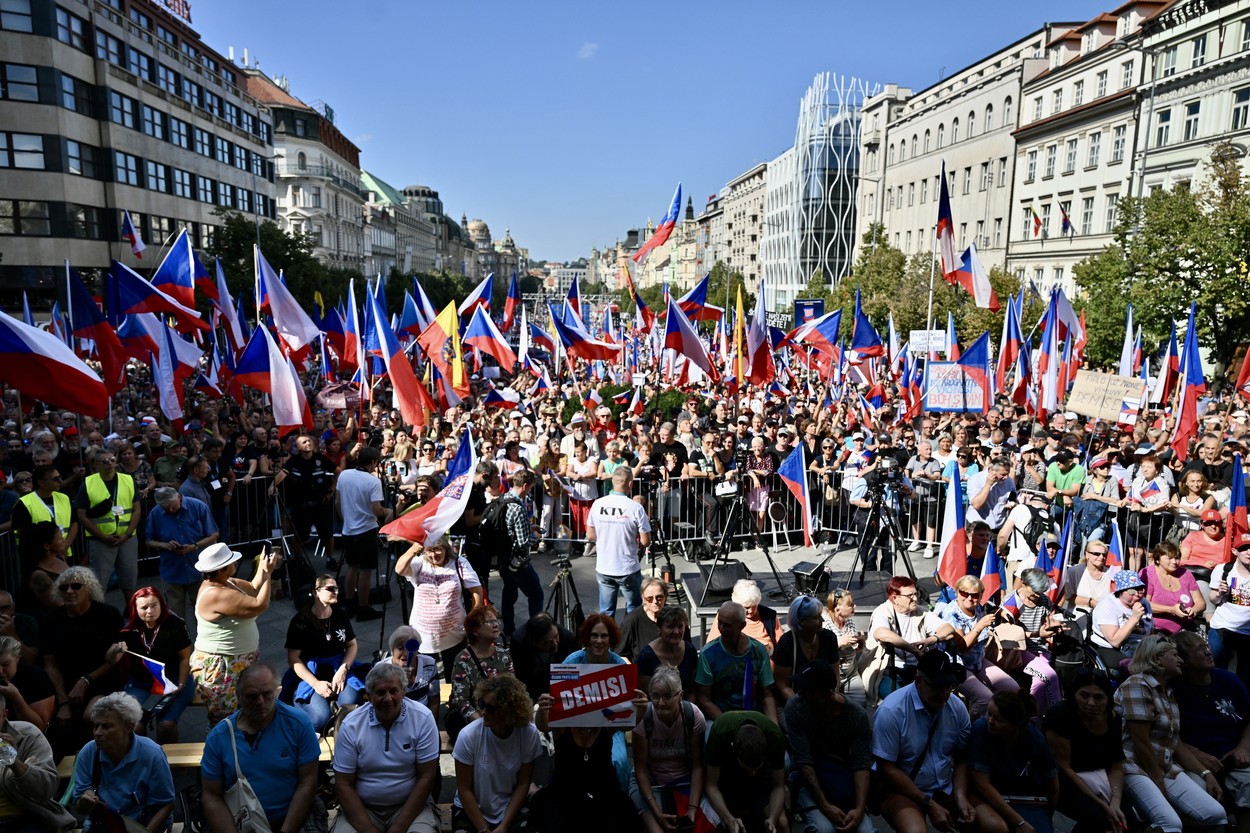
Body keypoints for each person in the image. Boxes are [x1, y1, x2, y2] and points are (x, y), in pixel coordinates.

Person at [1113, 634, 1227, 832]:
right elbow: (1141, 742)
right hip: (1135, 767)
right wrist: (1158, 782)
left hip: (1164, 766)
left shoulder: (1166, 692)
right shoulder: (1137, 685)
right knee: (1170, 824)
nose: (1180, 660)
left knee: (1216, 815)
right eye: (1175, 655)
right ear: (1157, 658)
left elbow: (1176, 744)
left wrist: (1206, 773)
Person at [201, 663, 327, 833]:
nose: (260, 702)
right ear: (239, 697)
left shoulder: (298, 724)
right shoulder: (219, 737)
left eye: (267, 694)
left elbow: (308, 782)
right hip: (240, 820)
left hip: (292, 816)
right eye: (252, 696)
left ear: (277, 691)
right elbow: (211, 796)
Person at [872, 649, 975, 833]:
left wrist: (960, 796)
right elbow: (887, 768)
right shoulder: (892, 710)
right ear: (918, 681)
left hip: (944, 785)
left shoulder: (957, 707)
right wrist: (928, 803)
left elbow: (961, 756)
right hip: (901, 787)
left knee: (990, 825)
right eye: (936, 686)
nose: (944, 694)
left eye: (948, 686)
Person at [333, 663, 440, 833]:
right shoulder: (351, 725)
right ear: (369, 695)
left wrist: (399, 828)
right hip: (362, 808)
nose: (388, 698)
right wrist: (369, 830)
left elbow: (426, 777)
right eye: (380, 692)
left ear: (403, 691)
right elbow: (344, 784)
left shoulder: (423, 718)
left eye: (394, 691)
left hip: (409, 807)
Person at [532, 685, 643, 833]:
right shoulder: (563, 726)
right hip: (565, 795)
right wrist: (542, 709)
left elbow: (630, 723)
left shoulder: (607, 724)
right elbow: (542, 725)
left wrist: (640, 707)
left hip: (605, 794)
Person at [1171, 630, 1250, 833]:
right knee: (1201, 804)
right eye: (1199, 650)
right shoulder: (1173, 690)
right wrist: (1196, 755)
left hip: (1233, 756)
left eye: (1206, 647)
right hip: (1194, 763)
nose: (1208, 652)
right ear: (1183, 661)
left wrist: (1242, 748)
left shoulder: (1228, 680)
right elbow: (1167, 735)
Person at [192, 542, 278, 726]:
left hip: (240, 661)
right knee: (226, 720)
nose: (236, 564)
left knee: (246, 712)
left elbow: (255, 587)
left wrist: (262, 569)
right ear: (221, 569)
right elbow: (259, 605)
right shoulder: (215, 593)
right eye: (232, 562)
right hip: (222, 666)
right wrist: (269, 574)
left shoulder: (227, 582)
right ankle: (222, 752)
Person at [785, 659, 873, 833]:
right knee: (824, 829)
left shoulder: (856, 716)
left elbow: (861, 765)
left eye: (808, 690)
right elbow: (804, 762)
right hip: (810, 779)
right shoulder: (796, 707)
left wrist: (860, 808)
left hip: (843, 779)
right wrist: (825, 806)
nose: (800, 693)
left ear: (826, 693)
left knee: (865, 830)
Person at [42, 567, 123, 756]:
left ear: (89, 589)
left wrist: (86, 680)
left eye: (76, 586)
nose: (69, 591)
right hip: (65, 687)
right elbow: (50, 664)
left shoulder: (108, 615)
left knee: (93, 716)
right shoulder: (51, 620)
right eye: (64, 587)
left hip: (103, 680)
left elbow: (117, 659)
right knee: (58, 727)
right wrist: (63, 702)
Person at [451, 674, 543, 833]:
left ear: (510, 712)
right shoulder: (469, 736)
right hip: (472, 809)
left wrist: (504, 825)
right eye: (482, 704)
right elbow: (464, 789)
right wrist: (483, 829)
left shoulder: (528, 734)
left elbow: (523, 784)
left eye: (491, 708)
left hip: (510, 807)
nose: (484, 712)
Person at [71, 692, 175, 831]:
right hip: (103, 823)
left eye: (106, 726)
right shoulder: (89, 751)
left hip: (142, 824)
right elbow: (80, 808)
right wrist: (85, 801)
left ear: (128, 727)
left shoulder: (152, 754)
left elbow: (165, 804)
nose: (98, 732)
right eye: (96, 726)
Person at [1043, 668, 1127, 833]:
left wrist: (1115, 801)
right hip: (1066, 781)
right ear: (1074, 694)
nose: (1091, 703)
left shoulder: (1113, 718)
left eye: (1098, 697)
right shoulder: (1061, 715)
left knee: (1124, 817)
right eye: (1084, 695)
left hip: (1099, 780)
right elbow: (1064, 767)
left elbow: (1116, 764)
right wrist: (1103, 805)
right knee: (1099, 819)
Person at [110, 586, 194, 744]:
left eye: (154, 605)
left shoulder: (175, 625)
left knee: (166, 725)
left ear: (162, 605)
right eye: (144, 607)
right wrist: (114, 651)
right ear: (135, 609)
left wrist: (181, 684)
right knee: (135, 727)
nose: (150, 611)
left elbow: (185, 658)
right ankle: (146, 759)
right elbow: (111, 661)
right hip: (140, 684)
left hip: (173, 680)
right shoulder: (128, 631)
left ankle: (171, 765)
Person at [967, 690, 1059, 833]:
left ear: (1017, 725)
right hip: (987, 797)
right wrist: (1019, 821)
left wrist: (1045, 818)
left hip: (1026, 800)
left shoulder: (1035, 740)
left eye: (999, 719)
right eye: (989, 714)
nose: (990, 721)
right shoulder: (981, 730)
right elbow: (982, 784)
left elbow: (1053, 785)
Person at [395, 539, 484, 682]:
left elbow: (476, 589)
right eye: (429, 550)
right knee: (425, 680)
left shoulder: (458, 563)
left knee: (455, 677)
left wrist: (474, 616)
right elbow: (399, 569)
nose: (434, 554)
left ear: (445, 548)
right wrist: (414, 548)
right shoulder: (419, 563)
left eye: (438, 549)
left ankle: (454, 702)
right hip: (424, 637)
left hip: (454, 635)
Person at [630, 667, 706, 833]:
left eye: (667, 696)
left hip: (684, 780)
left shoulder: (693, 717)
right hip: (651, 783)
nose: (660, 703)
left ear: (680, 696)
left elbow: (698, 766)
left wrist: (692, 808)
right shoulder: (644, 718)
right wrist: (657, 814)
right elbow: (640, 770)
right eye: (655, 696)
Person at [284, 573, 363, 732]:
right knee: (320, 719)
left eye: (337, 588)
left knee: (350, 707)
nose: (336, 592)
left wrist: (343, 669)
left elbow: (352, 645)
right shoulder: (300, 621)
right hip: (311, 672)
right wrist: (315, 684)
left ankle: (337, 717)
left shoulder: (340, 614)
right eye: (330, 588)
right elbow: (293, 658)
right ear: (315, 592)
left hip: (338, 667)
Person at [940, 575, 1019, 718]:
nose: (970, 598)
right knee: (984, 698)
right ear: (957, 592)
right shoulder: (951, 613)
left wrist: (1001, 612)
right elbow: (961, 647)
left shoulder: (979, 607)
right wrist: (980, 626)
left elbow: (992, 607)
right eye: (965, 593)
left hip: (977, 661)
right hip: (957, 665)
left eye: (975, 595)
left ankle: (1002, 722)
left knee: (1012, 688)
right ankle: (971, 730)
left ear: (981, 595)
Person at [866, 576, 955, 701]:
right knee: (901, 702)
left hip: (918, 671)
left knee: (937, 697)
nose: (915, 598)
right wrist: (913, 650)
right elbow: (881, 633)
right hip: (889, 672)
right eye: (910, 595)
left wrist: (931, 639)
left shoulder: (920, 612)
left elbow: (948, 629)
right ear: (894, 598)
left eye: (915, 593)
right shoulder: (882, 611)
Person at [0, 688, 75, 831]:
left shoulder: (27, 735)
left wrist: (14, 762)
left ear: (4, 715)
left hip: (24, 819)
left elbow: (45, 790)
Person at [703, 710, 789, 833]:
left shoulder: (775, 736)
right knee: (724, 824)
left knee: (782, 823)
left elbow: (778, 786)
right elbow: (711, 785)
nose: (752, 773)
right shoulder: (720, 731)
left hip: (762, 779)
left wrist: (772, 819)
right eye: (748, 768)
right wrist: (729, 819)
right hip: (728, 777)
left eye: (756, 768)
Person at [76, 448, 142, 607]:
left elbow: (137, 509)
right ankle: (98, 616)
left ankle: (132, 613)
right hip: (101, 541)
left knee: (130, 579)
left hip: (127, 539)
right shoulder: (88, 483)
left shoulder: (127, 479)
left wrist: (126, 535)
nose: (110, 464)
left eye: (112, 460)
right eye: (105, 461)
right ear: (96, 465)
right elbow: (81, 515)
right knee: (99, 582)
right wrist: (103, 537)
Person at [144, 487, 219, 624]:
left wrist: (194, 546)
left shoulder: (198, 506)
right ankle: (181, 643)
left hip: (198, 568)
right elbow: (149, 541)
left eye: (173, 506)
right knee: (175, 616)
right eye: (167, 509)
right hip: (172, 570)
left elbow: (214, 534)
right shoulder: (155, 514)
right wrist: (164, 545)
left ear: (179, 497)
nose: (171, 510)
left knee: (205, 612)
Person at [696, 601, 778, 724]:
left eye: (727, 625)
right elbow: (704, 699)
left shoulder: (758, 650)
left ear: (741, 626)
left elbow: (767, 694)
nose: (721, 629)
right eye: (720, 623)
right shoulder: (708, 653)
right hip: (721, 716)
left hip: (753, 713)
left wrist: (773, 726)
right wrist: (729, 723)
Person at [338, 446, 393, 620]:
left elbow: (338, 502)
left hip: (348, 530)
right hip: (366, 530)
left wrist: (346, 519)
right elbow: (376, 509)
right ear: (373, 462)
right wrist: (389, 511)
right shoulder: (373, 481)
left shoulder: (344, 474)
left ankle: (349, 604)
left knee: (352, 567)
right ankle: (363, 608)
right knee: (366, 571)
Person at [588, 467, 651, 617]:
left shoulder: (597, 504)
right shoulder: (636, 507)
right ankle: (630, 639)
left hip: (604, 567)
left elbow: (590, 536)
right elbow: (646, 541)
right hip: (627, 567)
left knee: (606, 612)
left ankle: (606, 639)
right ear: (630, 484)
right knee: (634, 610)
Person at [270, 433, 338, 568]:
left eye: (310, 441)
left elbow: (338, 471)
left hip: (320, 504)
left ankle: (330, 558)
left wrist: (331, 490)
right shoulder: (294, 461)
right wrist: (272, 485)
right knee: (299, 536)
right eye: (305, 442)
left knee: (327, 534)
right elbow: (283, 473)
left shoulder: (320, 459)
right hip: (301, 506)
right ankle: (299, 560)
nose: (309, 443)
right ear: (298, 447)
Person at [447, 605, 513, 743]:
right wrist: (485, 725)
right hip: (476, 720)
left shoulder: (504, 655)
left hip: (501, 716)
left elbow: (513, 689)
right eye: (489, 622)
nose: (495, 625)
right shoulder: (462, 660)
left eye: (496, 621)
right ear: (475, 631)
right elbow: (462, 701)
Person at [497, 469, 544, 637]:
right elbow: (523, 542)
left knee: (509, 594)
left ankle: (508, 630)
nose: (530, 491)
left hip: (503, 558)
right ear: (525, 486)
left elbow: (509, 529)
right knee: (536, 594)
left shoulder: (503, 499)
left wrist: (528, 527)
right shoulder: (518, 508)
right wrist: (536, 536)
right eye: (530, 488)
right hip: (517, 561)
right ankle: (536, 631)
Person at [773, 595, 839, 706]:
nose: (822, 620)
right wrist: (801, 707)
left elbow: (836, 675)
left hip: (825, 699)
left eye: (820, 616)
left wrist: (829, 700)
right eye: (816, 618)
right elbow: (783, 684)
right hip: (795, 700)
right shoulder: (786, 643)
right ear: (801, 620)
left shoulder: (829, 638)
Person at [1089, 569, 1154, 678]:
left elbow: (1151, 630)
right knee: (1137, 667)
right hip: (1111, 648)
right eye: (1131, 591)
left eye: (1140, 589)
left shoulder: (1144, 603)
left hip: (1140, 646)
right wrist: (1134, 618)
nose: (1137, 594)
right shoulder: (1107, 606)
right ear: (1120, 592)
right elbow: (1115, 641)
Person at [1209, 534, 1250, 691]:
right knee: (1216, 672)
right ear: (1234, 551)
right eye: (1244, 548)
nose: (1249, 552)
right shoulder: (1223, 569)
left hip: (1247, 632)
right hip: (1223, 627)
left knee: (1246, 678)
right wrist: (1219, 593)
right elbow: (1213, 599)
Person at [705, 579, 783, 658]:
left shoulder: (769, 616)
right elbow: (711, 646)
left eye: (754, 606)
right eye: (746, 607)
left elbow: (781, 645)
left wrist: (769, 651)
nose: (751, 611)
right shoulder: (726, 615)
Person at [509, 613, 578, 701]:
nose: (555, 644)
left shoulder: (566, 637)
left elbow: (575, 672)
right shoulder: (519, 642)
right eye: (548, 642)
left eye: (556, 637)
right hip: (534, 685)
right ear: (533, 641)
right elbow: (523, 680)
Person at [1140, 540, 1205, 634]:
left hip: (1185, 627)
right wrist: (1171, 609)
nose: (1174, 562)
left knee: (1203, 646)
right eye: (1169, 558)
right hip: (1156, 628)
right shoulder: (1148, 574)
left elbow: (1201, 603)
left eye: (1177, 558)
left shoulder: (1186, 574)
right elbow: (1144, 604)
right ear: (1157, 559)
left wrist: (1194, 610)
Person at [635, 605, 697, 695]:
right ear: (660, 627)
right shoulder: (646, 656)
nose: (676, 632)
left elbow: (693, 691)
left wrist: (687, 707)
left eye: (680, 626)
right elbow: (645, 695)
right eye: (670, 627)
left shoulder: (690, 650)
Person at [375, 625, 440, 712]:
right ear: (392, 649)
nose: (406, 654)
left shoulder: (429, 664)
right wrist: (399, 681)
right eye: (400, 648)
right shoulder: (380, 671)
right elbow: (382, 707)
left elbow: (434, 702)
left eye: (411, 648)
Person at [821, 588, 867, 708]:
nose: (854, 606)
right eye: (850, 605)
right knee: (830, 706)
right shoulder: (823, 624)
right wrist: (838, 643)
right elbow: (818, 652)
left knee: (860, 705)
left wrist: (859, 641)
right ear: (837, 610)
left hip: (850, 673)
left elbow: (855, 648)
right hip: (830, 675)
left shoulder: (849, 621)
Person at [0, 634, 53, 731]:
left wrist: (16, 697)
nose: (0, 671)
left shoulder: (35, 677)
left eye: (5, 664)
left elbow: (39, 727)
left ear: (17, 658)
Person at [1059, 541, 1115, 620]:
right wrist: (1091, 602)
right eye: (1096, 554)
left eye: (1104, 555)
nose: (1101, 557)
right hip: (1079, 616)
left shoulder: (1111, 574)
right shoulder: (1074, 571)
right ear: (1087, 555)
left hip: (1104, 616)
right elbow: (1069, 596)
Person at [616, 576, 668, 661]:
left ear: (665, 597)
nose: (655, 601)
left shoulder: (675, 617)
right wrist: (632, 672)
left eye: (659, 597)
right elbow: (620, 654)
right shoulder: (632, 620)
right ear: (643, 598)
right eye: (650, 598)